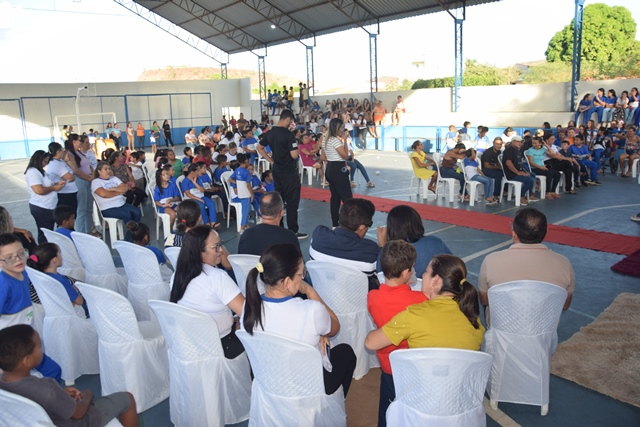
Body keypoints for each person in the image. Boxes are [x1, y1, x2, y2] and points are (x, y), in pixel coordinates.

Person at [241, 243, 356, 396]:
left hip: (269, 379)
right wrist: (310, 291)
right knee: (346, 353)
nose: (302, 278)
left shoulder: (249, 307)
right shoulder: (311, 310)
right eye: (301, 274)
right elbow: (335, 326)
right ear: (287, 282)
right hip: (306, 384)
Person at [0, 324, 139, 426]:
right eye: (39, 346)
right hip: (78, 422)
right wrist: (88, 394)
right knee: (127, 399)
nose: (41, 349)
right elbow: (78, 413)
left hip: (49, 418)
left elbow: (39, 400)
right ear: (27, 361)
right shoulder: (47, 389)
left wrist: (61, 395)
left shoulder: (4, 384)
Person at [365, 253, 485, 367]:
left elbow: (371, 343)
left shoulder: (414, 315)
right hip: (459, 380)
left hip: (422, 380)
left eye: (426, 272)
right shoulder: (474, 319)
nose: (423, 275)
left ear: (435, 280)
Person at [368, 240, 427, 427]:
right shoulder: (420, 300)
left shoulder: (372, 297)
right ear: (405, 273)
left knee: (387, 405)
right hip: (412, 366)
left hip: (387, 364)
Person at [478, 207, 575, 318]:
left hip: (503, 327)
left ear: (514, 234)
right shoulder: (564, 264)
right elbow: (565, 305)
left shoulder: (491, 260)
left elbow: (484, 300)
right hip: (543, 327)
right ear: (544, 233)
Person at [170, 225, 245, 359]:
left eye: (220, 244)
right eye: (216, 246)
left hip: (190, 346)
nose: (221, 250)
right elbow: (247, 313)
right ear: (200, 252)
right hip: (222, 347)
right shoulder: (217, 277)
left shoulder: (177, 275)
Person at [0, 233, 62, 381]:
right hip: (13, 347)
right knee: (52, 371)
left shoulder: (25, 273)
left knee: (53, 371)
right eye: (9, 258)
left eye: (21, 254)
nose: (18, 259)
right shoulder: (4, 284)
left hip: (25, 340)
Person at [257, 110, 307, 239]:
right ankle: (293, 231)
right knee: (292, 203)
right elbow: (294, 155)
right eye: (291, 121)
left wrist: (271, 160)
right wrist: (297, 149)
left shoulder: (270, 133)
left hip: (277, 171)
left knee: (279, 201)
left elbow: (259, 147)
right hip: (289, 172)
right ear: (288, 119)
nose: (291, 124)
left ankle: (279, 229)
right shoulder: (289, 135)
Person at [310, 198, 380, 290]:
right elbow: (382, 281)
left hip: (321, 294)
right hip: (356, 298)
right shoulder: (371, 251)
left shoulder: (318, 235)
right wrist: (383, 248)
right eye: (369, 225)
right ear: (361, 227)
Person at [376, 205, 452, 278]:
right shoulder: (435, 242)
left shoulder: (390, 253)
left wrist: (383, 247)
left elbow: (381, 278)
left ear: (391, 229)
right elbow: (453, 266)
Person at [26, 243, 86, 315]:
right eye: (60, 253)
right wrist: (75, 289)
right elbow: (79, 301)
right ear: (55, 260)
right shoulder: (61, 281)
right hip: (73, 313)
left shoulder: (37, 278)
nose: (61, 256)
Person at [237, 192, 300, 256]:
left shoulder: (246, 235)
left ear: (260, 211)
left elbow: (240, 259)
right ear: (281, 212)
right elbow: (298, 261)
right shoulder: (289, 237)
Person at [24, 150, 65, 244]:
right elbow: (39, 190)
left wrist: (56, 184)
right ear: (38, 159)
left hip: (48, 206)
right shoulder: (33, 172)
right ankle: (45, 251)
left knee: (48, 232)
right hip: (42, 207)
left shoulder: (40, 171)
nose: (45, 164)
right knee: (45, 233)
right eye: (44, 161)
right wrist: (54, 187)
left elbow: (46, 184)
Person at [321, 118, 352, 226]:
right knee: (347, 198)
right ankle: (350, 223)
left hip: (330, 168)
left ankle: (335, 223)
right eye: (341, 127)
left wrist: (332, 158)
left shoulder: (325, 139)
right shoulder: (335, 140)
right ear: (337, 128)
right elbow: (345, 156)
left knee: (335, 198)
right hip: (338, 169)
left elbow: (322, 157)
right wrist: (345, 140)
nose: (342, 130)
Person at [502, 135, 538, 206]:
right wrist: (518, 172)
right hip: (511, 174)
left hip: (516, 172)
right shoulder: (509, 150)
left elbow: (519, 164)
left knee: (532, 175)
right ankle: (521, 196)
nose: (520, 143)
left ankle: (529, 195)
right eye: (518, 142)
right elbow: (508, 163)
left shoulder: (517, 150)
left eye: (521, 142)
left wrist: (524, 171)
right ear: (513, 142)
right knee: (530, 180)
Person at [47, 142, 78, 213]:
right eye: (62, 150)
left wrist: (67, 160)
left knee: (72, 214)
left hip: (70, 192)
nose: (64, 152)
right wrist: (72, 177)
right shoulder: (55, 164)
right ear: (58, 151)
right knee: (67, 216)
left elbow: (75, 170)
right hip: (64, 194)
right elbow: (70, 178)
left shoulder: (61, 161)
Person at [227, 153, 254, 233]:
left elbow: (229, 179)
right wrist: (252, 194)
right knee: (245, 211)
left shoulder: (237, 170)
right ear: (246, 161)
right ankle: (242, 227)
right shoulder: (246, 172)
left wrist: (238, 184)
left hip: (240, 193)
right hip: (245, 193)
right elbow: (248, 185)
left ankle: (246, 224)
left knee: (245, 209)